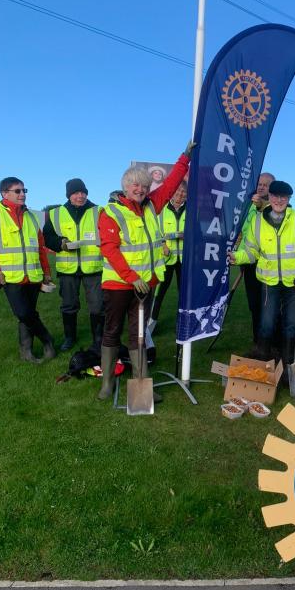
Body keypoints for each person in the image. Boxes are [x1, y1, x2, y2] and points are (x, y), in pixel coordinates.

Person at [96, 142, 194, 401]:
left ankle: (141, 386)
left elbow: (172, 184)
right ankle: (106, 383)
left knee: (139, 334)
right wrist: (132, 277)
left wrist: (185, 158)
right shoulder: (110, 213)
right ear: (126, 187)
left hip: (146, 285)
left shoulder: (152, 205)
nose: (140, 190)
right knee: (112, 330)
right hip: (119, 285)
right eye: (135, 185)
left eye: (144, 186)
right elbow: (110, 250)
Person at [229, 179, 295, 370]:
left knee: (291, 323)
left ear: (288, 199)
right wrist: (236, 257)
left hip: (294, 283)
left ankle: (287, 366)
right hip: (269, 282)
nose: (279, 200)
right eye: (275, 196)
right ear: (269, 197)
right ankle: (263, 361)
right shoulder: (257, 221)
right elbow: (251, 252)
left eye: (283, 197)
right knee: (267, 323)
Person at [0, 177, 56, 362]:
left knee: (27, 314)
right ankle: (47, 340)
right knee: (23, 312)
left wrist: (46, 272)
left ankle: (26, 352)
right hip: (9, 277)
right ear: (5, 194)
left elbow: (40, 247)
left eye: (24, 190)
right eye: (18, 191)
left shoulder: (30, 216)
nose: (22, 194)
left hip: (33, 275)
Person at [43, 178, 104, 353]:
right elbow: (47, 237)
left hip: (94, 267)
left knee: (98, 305)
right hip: (67, 268)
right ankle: (70, 337)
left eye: (83, 192)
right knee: (69, 304)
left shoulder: (98, 211)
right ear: (69, 195)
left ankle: (98, 339)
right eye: (76, 193)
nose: (80, 196)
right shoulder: (55, 213)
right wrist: (60, 243)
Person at [238, 172, 274, 345]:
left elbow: (274, 219)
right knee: (254, 304)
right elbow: (244, 231)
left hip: (268, 263)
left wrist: (262, 206)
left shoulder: (276, 205)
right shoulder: (249, 205)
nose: (261, 186)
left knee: (268, 304)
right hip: (249, 260)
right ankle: (258, 341)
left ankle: (271, 341)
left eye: (265, 184)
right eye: (259, 183)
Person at [148, 178, 187, 332]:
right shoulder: (161, 209)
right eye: (178, 191)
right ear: (173, 192)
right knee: (158, 292)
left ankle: (183, 324)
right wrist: (163, 244)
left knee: (184, 294)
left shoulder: (191, 209)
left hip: (184, 259)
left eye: (183, 192)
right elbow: (153, 231)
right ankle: (150, 324)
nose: (180, 195)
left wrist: (188, 235)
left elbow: (198, 230)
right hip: (166, 258)